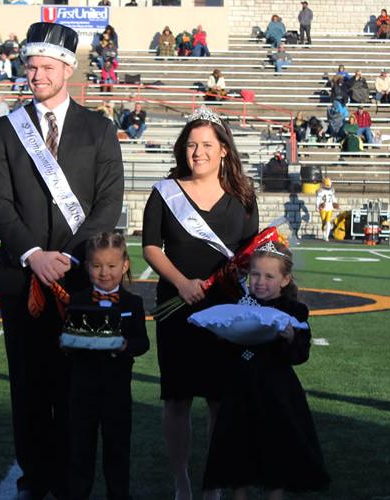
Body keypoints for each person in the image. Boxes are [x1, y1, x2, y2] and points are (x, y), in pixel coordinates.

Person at [0, 22, 124, 499]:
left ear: (68, 68)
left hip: (80, 278)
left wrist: (64, 256)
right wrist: (33, 255)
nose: (35, 75)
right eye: (30, 66)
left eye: (44, 66)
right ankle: (33, 475)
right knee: (27, 386)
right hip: (21, 279)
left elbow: (108, 204)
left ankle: (70, 476)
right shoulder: (5, 129)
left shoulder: (100, 129)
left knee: (75, 388)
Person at [142, 106, 259, 500]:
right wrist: (181, 282)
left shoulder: (243, 195)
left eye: (207, 144)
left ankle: (213, 484)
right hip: (176, 304)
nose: (198, 152)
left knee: (220, 400)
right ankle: (182, 483)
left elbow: (249, 252)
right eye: (192, 144)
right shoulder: (164, 191)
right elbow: (149, 248)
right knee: (176, 398)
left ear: (224, 149)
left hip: (225, 309)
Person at [203, 241, 331, 498]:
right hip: (239, 390)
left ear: (285, 280)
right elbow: (223, 346)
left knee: (278, 451)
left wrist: (290, 338)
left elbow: (299, 355)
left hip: (276, 393)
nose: (260, 281)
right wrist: (222, 335)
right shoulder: (239, 304)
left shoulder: (294, 311)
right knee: (238, 451)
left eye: (269, 276)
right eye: (255, 274)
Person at [67, 232, 149, 500]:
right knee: (80, 452)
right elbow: (65, 338)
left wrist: (124, 345)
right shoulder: (75, 300)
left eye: (112, 266)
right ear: (87, 266)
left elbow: (142, 343)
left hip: (117, 393)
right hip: (81, 392)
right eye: (97, 266)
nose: (104, 273)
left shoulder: (133, 303)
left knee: (117, 453)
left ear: (124, 265)